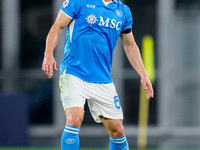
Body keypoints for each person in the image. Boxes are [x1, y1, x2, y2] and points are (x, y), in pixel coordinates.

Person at [42, 0, 154, 149]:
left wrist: (143, 74)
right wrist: (48, 54)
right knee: (74, 118)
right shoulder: (78, 2)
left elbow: (129, 45)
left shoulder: (123, 11)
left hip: (103, 78)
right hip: (74, 72)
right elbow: (57, 27)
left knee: (117, 129)